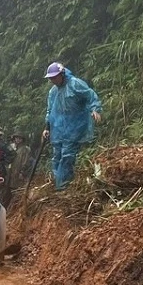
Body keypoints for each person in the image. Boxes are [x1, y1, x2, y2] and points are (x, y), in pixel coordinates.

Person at [42, 62, 102, 191]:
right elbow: (50, 110)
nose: (52, 80)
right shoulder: (53, 92)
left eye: (55, 77)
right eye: (50, 78)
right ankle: (59, 184)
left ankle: (63, 186)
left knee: (67, 155)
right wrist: (47, 127)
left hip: (75, 126)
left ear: (62, 74)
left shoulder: (75, 84)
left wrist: (95, 109)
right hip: (58, 129)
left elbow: (89, 95)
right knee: (56, 157)